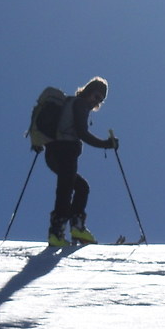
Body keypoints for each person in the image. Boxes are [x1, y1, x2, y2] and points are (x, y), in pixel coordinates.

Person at [36, 77, 117, 249]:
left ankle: (72, 228)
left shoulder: (72, 103)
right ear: (88, 91)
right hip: (65, 150)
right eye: (96, 96)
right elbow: (82, 133)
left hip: (53, 153)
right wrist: (106, 144)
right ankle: (60, 232)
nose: (97, 101)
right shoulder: (79, 104)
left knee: (79, 187)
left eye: (100, 100)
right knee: (66, 191)